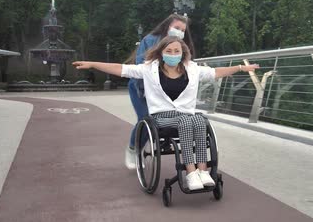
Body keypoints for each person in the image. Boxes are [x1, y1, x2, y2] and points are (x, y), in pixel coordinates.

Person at [73, 36, 259, 190]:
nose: (172, 55)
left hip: (185, 115)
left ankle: (203, 171)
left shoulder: (192, 69)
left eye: (176, 51)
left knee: (200, 121)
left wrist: (241, 68)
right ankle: (191, 173)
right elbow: (121, 69)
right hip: (160, 118)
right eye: (168, 51)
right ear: (161, 53)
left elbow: (215, 72)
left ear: (182, 53)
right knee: (188, 122)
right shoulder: (149, 69)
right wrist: (92, 64)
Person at [124, 14, 195, 170]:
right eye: (177, 28)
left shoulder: (181, 45)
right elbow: (140, 68)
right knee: (145, 117)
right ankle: (133, 149)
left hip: (164, 88)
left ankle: (161, 138)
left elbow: (186, 67)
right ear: (168, 26)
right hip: (141, 87)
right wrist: (146, 92)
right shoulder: (150, 41)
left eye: (182, 30)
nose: (179, 32)